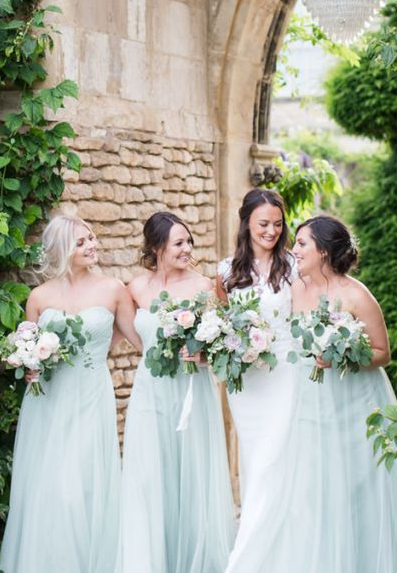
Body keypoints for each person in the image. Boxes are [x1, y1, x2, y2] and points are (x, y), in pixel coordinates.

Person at [288, 214, 397, 572]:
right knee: (315, 486)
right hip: (310, 401)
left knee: (358, 485)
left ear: (323, 251)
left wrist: (344, 356)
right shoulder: (297, 288)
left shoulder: (356, 294)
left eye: (302, 243)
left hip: (355, 403)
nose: (294, 250)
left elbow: (383, 352)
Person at [0, 214, 142, 573]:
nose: (91, 246)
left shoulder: (113, 289)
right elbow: (21, 349)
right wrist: (27, 364)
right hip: (47, 401)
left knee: (81, 488)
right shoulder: (39, 296)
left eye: (92, 238)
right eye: (81, 242)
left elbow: (140, 341)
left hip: (91, 398)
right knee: (48, 488)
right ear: (63, 249)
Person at [116, 212, 235, 573]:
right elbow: (136, 339)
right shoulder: (135, 288)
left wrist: (203, 354)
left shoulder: (205, 286)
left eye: (189, 241)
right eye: (179, 243)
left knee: (193, 471)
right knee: (151, 473)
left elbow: (227, 339)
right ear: (157, 248)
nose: (188, 249)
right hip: (150, 394)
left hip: (191, 393)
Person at [215, 188, 296, 501]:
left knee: (279, 453)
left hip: (286, 372)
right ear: (246, 223)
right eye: (263, 224)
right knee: (254, 454)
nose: (271, 231)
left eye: (277, 224)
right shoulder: (225, 272)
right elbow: (222, 326)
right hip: (247, 380)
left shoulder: (293, 266)